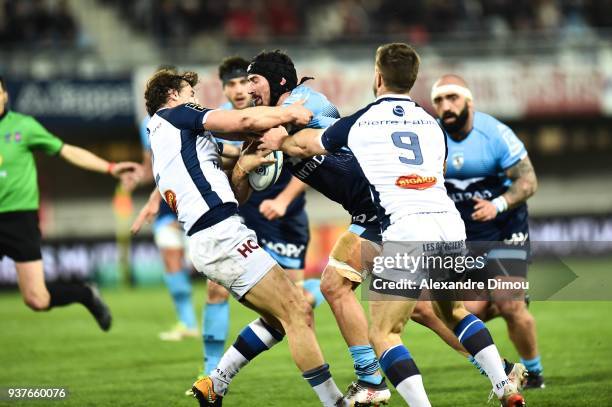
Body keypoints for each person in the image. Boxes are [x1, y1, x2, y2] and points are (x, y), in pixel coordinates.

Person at [263, 43, 526, 407]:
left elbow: (312, 144)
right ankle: (505, 384)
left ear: (378, 77)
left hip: (404, 229)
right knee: (453, 311)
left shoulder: (363, 121)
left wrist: (282, 140)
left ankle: (394, 393)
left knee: (385, 333)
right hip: (449, 226)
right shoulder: (432, 126)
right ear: (414, 80)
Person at [141, 68, 344, 407]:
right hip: (219, 234)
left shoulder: (171, 139)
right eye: (191, 93)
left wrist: (245, 164)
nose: (196, 100)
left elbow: (237, 189)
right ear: (172, 95)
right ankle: (334, 402)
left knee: (278, 319)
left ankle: (214, 384)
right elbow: (246, 121)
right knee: (297, 310)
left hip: (216, 233)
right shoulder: (175, 115)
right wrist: (291, 112)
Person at [0, 75, 142, 331]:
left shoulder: (24, 126)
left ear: (5, 95)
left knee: (37, 299)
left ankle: (85, 294)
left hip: (19, 220)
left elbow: (67, 151)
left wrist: (110, 168)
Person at [430, 74, 543, 389]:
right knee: (461, 314)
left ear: (469, 101)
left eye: (452, 97)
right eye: (438, 100)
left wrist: (499, 204)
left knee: (510, 304)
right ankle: (504, 365)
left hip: (504, 225)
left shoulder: (494, 133)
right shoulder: (432, 137)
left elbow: (528, 181)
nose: (445, 106)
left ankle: (534, 375)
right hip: (467, 235)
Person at [130, 65, 199, 342]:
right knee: (171, 259)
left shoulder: (191, 115)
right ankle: (187, 322)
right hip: (166, 199)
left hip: (193, 197)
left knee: (205, 265)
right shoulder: (147, 125)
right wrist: (137, 177)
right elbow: (154, 166)